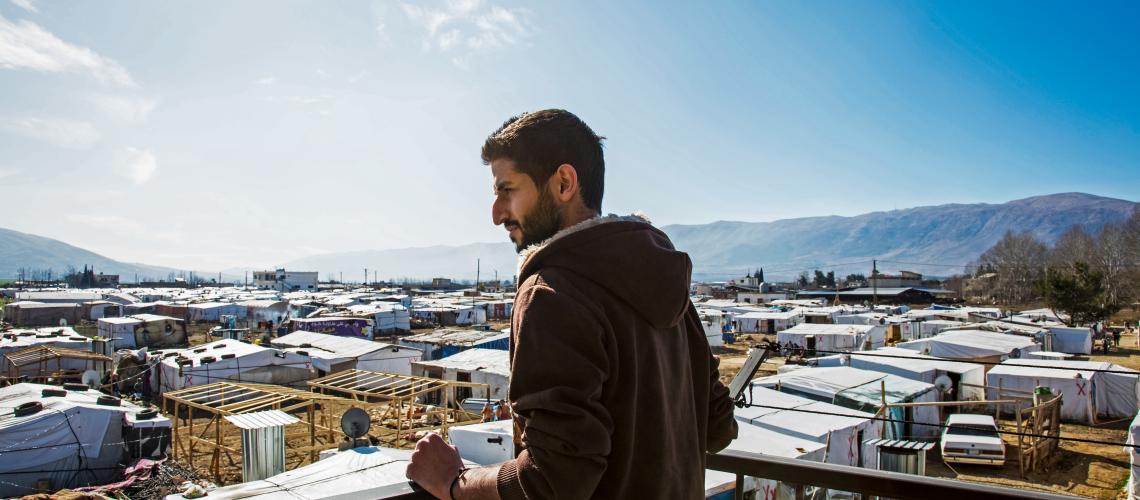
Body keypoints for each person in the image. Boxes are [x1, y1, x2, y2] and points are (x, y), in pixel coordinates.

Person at [406, 109, 738, 499]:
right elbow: (719, 428)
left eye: (507, 190)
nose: (496, 214)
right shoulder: (664, 283)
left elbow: (554, 478)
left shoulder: (550, 293)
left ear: (563, 182)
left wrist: (454, 482)